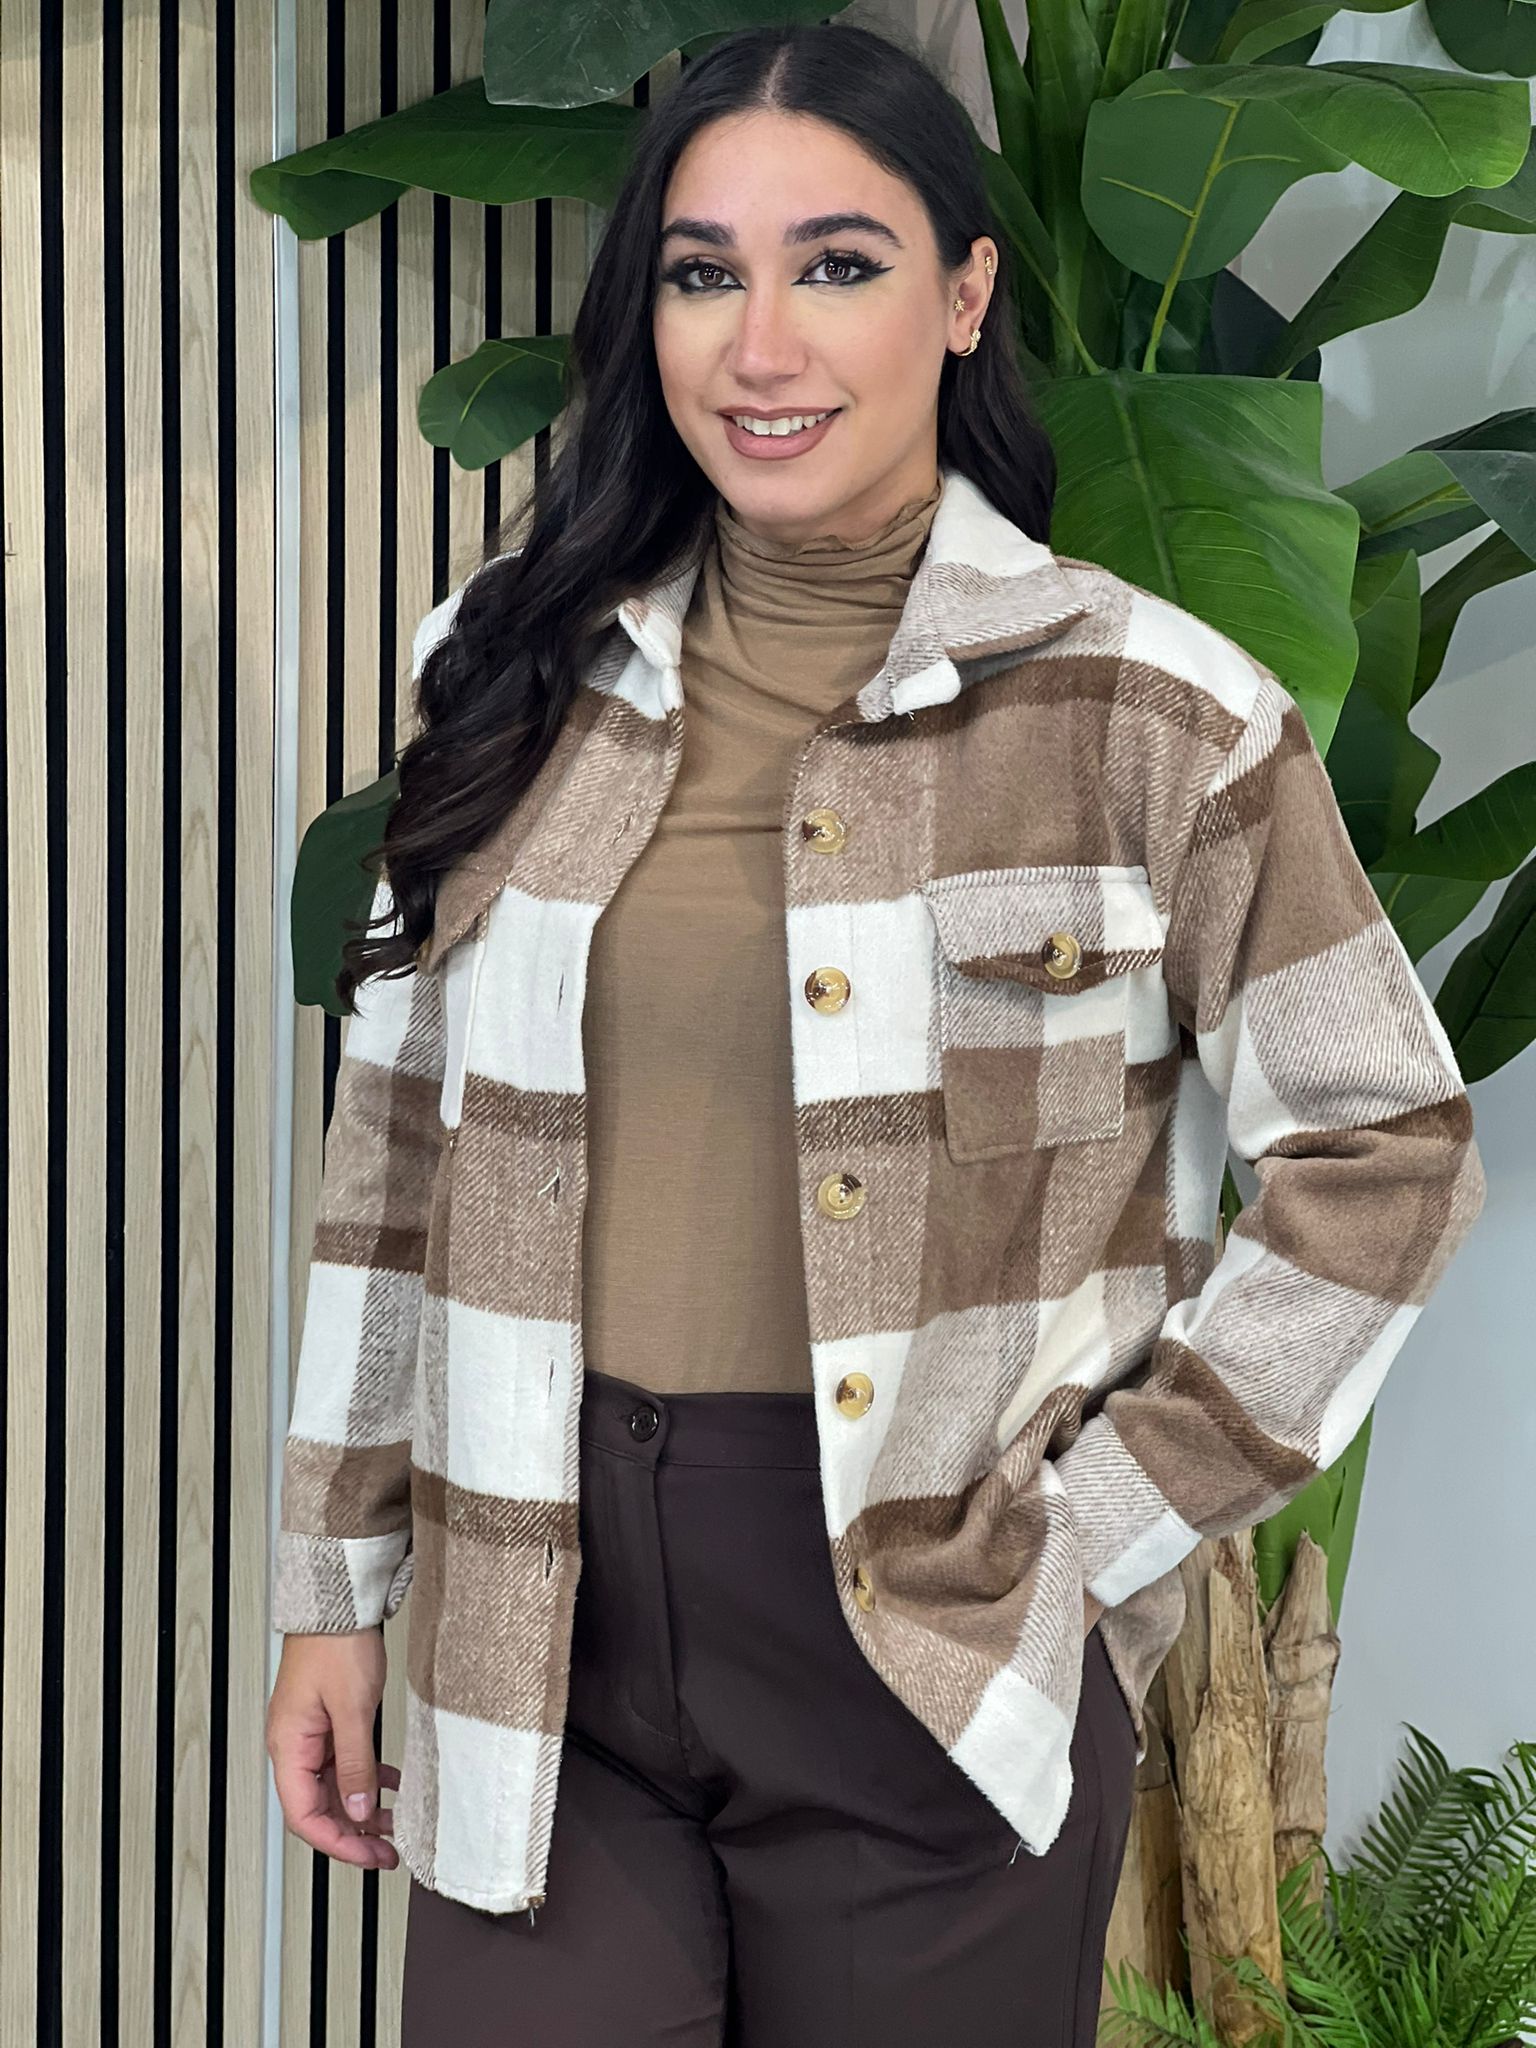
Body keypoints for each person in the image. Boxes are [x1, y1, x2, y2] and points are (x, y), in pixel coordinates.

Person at [264, 20, 1487, 2046]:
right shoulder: (509, 670)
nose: (762, 345)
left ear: (967, 291)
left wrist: (1093, 1532)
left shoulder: (1151, 712)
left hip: (929, 1655)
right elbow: (397, 1149)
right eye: (702, 272)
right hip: (535, 1627)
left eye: (837, 264)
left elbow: (1388, 1150)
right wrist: (336, 1586)